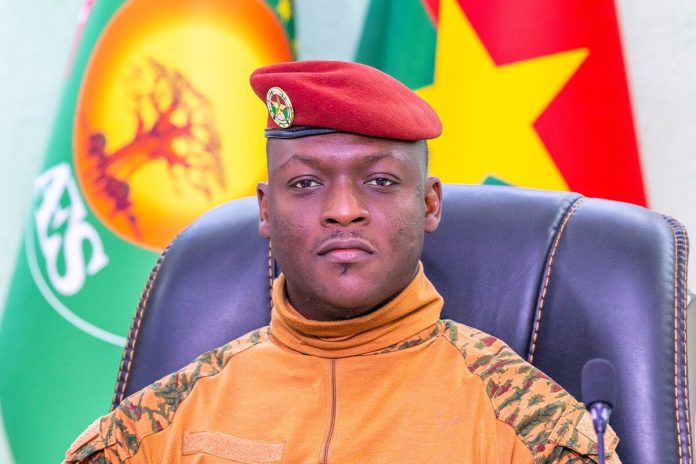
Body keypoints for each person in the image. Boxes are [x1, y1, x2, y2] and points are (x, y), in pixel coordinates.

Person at [64, 60, 620, 463]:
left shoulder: (532, 426)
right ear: (266, 209)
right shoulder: (157, 428)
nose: (343, 210)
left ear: (429, 204)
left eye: (380, 181)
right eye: (306, 183)